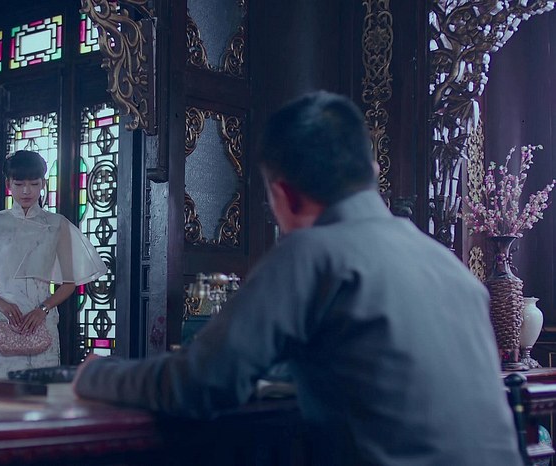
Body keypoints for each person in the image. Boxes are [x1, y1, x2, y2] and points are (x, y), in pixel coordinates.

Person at [73, 91, 522, 465]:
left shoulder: (312, 252)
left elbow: (203, 383)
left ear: (283, 194)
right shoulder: (449, 266)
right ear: (372, 173)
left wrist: (97, 374)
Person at [0, 150, 107, 378]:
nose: (26, 191)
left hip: (41, 321)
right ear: (8, 184)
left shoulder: (57, 224)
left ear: (43, 183)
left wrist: (42, 309)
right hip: (0, 322)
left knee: (39, 392)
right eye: (19, 184)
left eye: (34, 184)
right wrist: (2, 304)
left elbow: (68, 284)